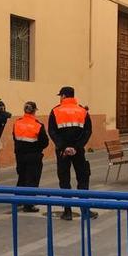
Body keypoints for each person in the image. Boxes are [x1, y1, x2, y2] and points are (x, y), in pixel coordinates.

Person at [49, 86, 96, 221]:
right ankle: (85, 210)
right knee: (82, 179)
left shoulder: (55, 111)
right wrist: (76, 147)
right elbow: (88, 131)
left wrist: (64, 147)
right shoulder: (82, 111)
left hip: (62, 152)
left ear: (63, 96)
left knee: (64, 180)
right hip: (78, 151)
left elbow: (52, 131)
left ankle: (67, 211)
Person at [13, 101, 49, 212]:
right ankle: (28, 205)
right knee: (32, 179)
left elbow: (15, 137)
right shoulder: (38, 125)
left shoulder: (17, 123)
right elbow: (45, 142)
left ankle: (18, 200)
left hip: (20, 155)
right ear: (34, 111)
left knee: (22, 177)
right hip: (34, 156)